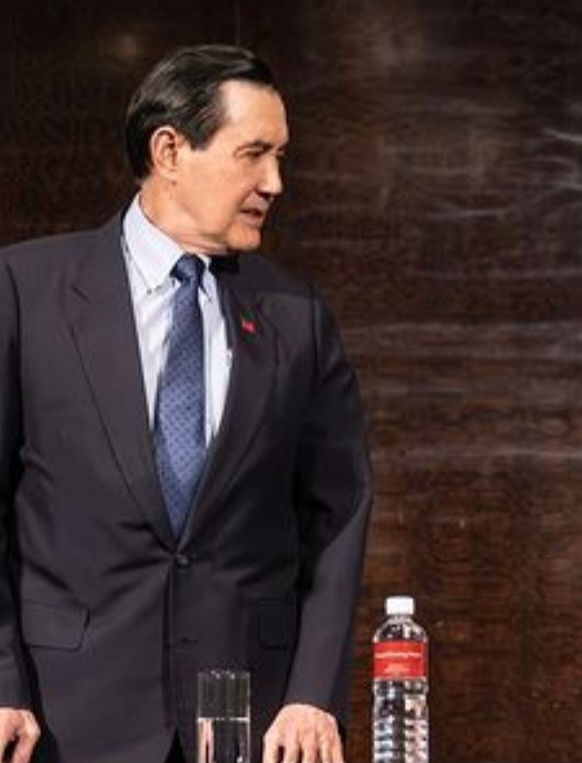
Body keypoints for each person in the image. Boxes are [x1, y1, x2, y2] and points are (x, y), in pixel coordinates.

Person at [0, 45, 373, 763]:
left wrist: (312, 693)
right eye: (254, 154)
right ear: (169, 151)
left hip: (250, 724)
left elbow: (339, 512)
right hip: (59, 721)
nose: (275, 182)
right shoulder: (22, 290)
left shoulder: (295, 315)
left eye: (280, 157)